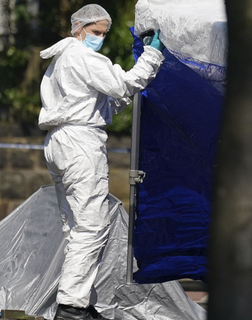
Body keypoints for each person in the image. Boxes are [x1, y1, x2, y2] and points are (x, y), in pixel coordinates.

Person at [38, 4, 165, 320]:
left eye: (104, 34)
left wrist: (130, 77)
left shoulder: (61, 60)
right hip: (80, 143)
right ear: (78, 28)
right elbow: (123, 86)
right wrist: (152, 56)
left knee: (76, 226)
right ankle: (71, 306)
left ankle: (78, 300)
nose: (100, 39)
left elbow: (107, 103)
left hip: (59, 142)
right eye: (96, 32)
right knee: (92, 224)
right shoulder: (82, 56)